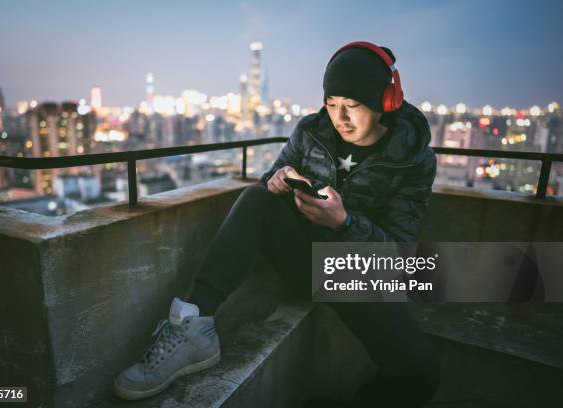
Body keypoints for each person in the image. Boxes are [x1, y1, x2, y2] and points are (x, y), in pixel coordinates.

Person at [113, 41, 440, 407]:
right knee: (256, 197)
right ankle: (195, 322)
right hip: (301, 262)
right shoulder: (311, 131)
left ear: (385, 102)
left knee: (421, 371)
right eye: (332, 104)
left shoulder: (414, 160)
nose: (340, 118)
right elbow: (267, 186)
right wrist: (277, 178)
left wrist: (344, 223)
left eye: (352, 106)